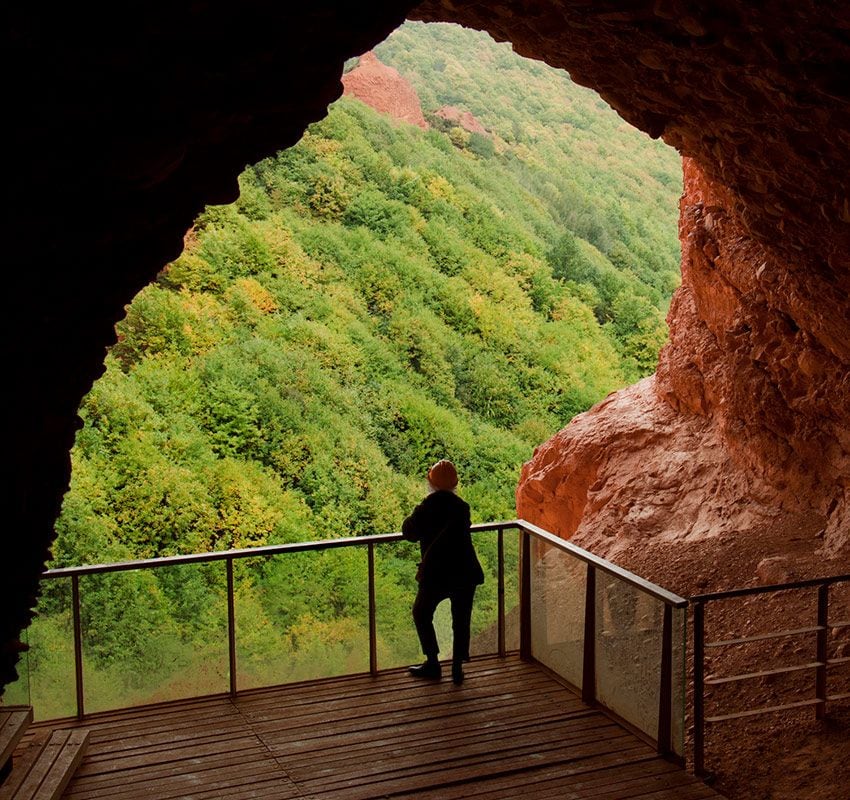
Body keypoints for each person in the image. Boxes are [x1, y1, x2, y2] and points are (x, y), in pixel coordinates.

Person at [401, 459, 484, 685]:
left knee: (421, 612)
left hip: (436, 573)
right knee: (461, 619)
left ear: (431, 482)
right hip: (464, 571)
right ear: (455, 483)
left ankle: (433, 662)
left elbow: (408, 532)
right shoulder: (462, 507)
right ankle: (457, 667)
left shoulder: (428, 506)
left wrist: (419, 507)